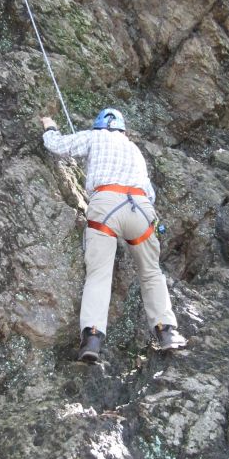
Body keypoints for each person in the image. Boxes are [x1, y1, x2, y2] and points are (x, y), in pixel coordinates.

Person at [41, 107, 187, 362]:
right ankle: (166, 332)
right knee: (151, 272)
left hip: (106, 206)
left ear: (99, 125)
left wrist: (49, 125)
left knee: (99, 274)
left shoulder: (94, 137)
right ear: (122, 128)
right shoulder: (134, 150)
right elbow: (150, 192)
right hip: (140, 209)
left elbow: (57, 145)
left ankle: (93, 338)